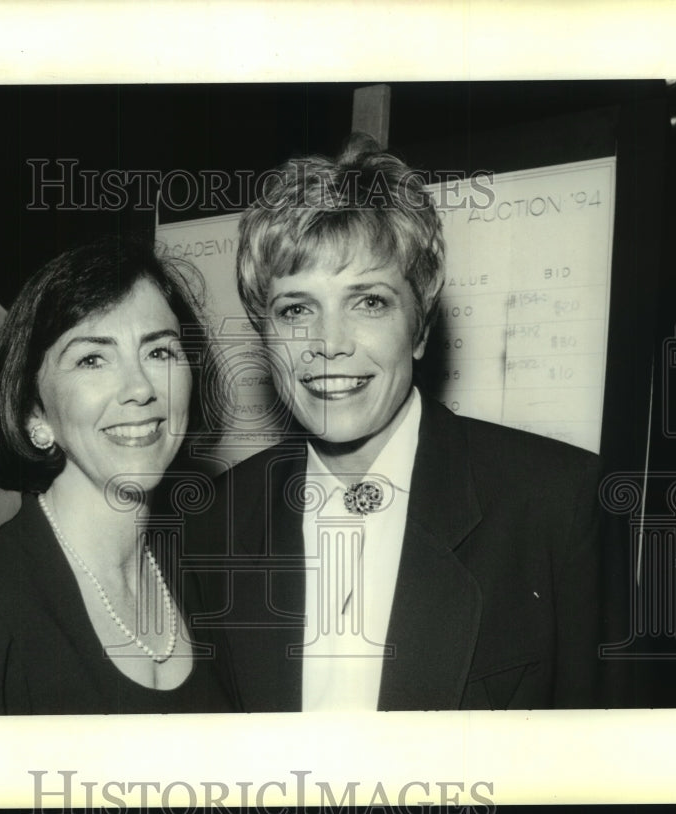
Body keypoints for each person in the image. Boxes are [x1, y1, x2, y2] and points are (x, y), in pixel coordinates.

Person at [182, 134, 620, 711]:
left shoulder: (557, 505)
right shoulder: (214, 522)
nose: (328, 345)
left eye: (369, 302)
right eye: (296, 309)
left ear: (420, 326)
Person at [0, 238, 237, 715]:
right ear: (35, 415)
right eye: (92, 359)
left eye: (160, 353)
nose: (140, 389)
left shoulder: (214, 584)